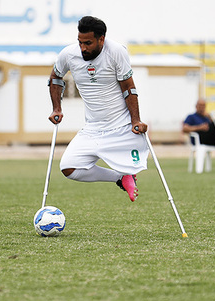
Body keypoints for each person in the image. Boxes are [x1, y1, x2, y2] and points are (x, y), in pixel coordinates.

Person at [47, 16, 147, 202]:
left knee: (136, 164)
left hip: (121, 126)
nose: (83, 48)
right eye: (80, 42)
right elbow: (55, 78)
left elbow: (128, 87)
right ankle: (120, 177)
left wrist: (135, 120)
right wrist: (57, 108)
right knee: (68, 168)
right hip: (93, 128)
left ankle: (127, 173)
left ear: (102, 39)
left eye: (88, 43)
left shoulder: (116, 51)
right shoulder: (68, 54)